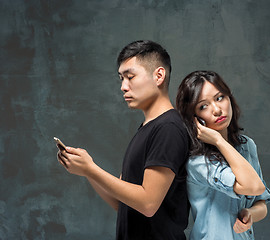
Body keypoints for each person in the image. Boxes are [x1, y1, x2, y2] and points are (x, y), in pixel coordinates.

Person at [57, 40, 190, 240]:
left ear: (159, 75)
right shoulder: (147, 128)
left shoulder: (168, 128)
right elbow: (122, 203)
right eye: (121, 78)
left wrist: (91, 169)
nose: (123, 87)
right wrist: (88, 171)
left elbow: (148, 203)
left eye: (130, 77)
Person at [176, 70, 270, 240]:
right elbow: (253, 187)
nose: (217, 110)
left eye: (220, 98)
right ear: (195, 118)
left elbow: (261, 201)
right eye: (203, 106)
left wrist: (249, 213)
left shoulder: (246, 146)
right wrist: (218, 141)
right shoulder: (198, 161)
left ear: (229, 98)